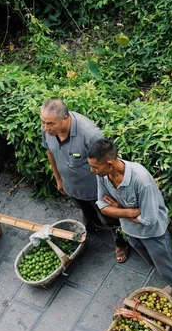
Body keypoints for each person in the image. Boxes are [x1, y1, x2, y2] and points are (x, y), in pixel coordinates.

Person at [87, 138, 172, 327]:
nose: (92, 171)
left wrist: (119, 209)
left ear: (109, 163)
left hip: (154, 233)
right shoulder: (102, 176)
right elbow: (103, 206)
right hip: (131, 231)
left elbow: (149, 220)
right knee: (153, 263)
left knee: (167, 266)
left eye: (94, 167)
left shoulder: (141, 181)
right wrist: (130, 210)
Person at [41, 99, 130, 263]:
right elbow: (50, 152)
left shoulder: (90, 135)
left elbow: (108, 165)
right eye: (43, 122)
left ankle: (121, 243)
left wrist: (113, 191)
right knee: (85, 211)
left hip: (97, 190)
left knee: (111, 219)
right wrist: (59, 178)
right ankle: (93, 226)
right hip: (72, 187)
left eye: (50, 123)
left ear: (65, 118)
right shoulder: (49, 129)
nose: (46, 128)